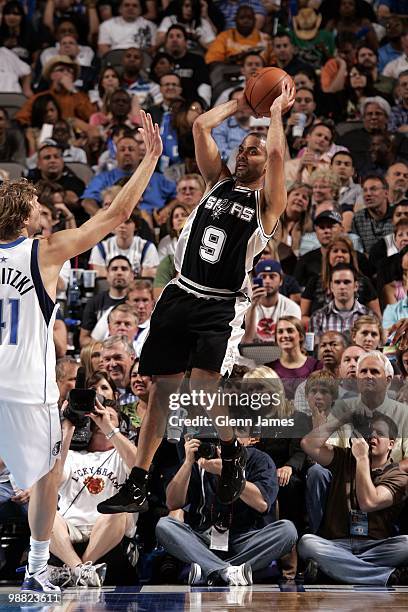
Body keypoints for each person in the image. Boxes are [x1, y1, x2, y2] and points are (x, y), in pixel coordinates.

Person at [96, 79, 295, 515]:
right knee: (160, 389)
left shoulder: (267, 206)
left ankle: (231, 454)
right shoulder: (215, 182)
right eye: (242, 148)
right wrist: (241, 103)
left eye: (253, 151)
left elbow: (279, 154)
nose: (244, 153)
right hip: (181, 291)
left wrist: (274, 114)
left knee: (205, 387)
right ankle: (138, 481)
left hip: (220, 302)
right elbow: (202, 126)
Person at [0, 110, 163, 592]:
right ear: (25, 214)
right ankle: (34, 567)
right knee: (48, 473)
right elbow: (114, 216)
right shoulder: (42, 250)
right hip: (26, 388)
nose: (42, 213)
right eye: (36, 206)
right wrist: (150, 159)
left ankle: (37, 566)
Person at [156, 436, 297, 586]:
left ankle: (208, 569)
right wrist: (187, 463)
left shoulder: (258, 459)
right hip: (205, 538)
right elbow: (172, 502)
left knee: (287, 531)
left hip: (246, 540)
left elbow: (261, 503)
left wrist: (227, 472)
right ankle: (227, 572)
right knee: (164, 526)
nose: (225, 443)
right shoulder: (202, 459)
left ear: (250, 439)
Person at [49, 372, 137, 587]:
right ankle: (81, 570)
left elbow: (140, 466)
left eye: (110, 417)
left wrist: (108, 427)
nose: (101, 419)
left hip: (108, 529)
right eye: (96, 417)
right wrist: (68, 426)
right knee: (45, 514)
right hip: (71, 529)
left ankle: (77, 568)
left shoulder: (121, 453)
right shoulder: (72, 454)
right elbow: (51, 481)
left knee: (118, 511)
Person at [299, 411, 408, 586]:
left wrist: (362, 458)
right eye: (369, 432)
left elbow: (369, 502)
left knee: (407, 544)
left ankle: (333, 571)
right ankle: (386, 576)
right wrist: (343, 418)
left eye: (379, 434)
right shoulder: (345, 458)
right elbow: (308, 444)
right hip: (337, 544)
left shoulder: (397, 475)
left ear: (391, 444)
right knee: (307, 543)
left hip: (375, 546)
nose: (372, 436)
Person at [301, 235, 380, 326]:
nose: (339, 255)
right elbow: (303, 317)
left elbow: (377, 318)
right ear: (328, 256)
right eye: (335, 251)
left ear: (350, 256)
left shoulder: (364, 282)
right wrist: (327, 322)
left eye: (344, 251)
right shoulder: (314, 282)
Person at [80, 255, 134, 347]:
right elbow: (83, 340)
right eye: (114, 269)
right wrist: (108, 346)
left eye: (124, 269)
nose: (119, 272)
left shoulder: (137, 303)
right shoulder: (94, 302)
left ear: (132, 276)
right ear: (107, 275)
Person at [242, 260, 301, 343]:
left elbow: (291, 342)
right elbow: (247, 341)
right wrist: (252, 306)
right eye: (263, 277)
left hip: (280, 353)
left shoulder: (291, 307)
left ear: (281, 281)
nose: (267, 281)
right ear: (256, 280)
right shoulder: (245, 306)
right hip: (251, 352)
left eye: (272, 276)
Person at [88, 211, 159, 278]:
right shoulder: (100, 248)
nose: (122, 225)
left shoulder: (147, 247)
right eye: (118, 222)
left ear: (136, 226)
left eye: (127, 222)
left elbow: (146, 281)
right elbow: (102, 281)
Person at [266, 316, 321, 400]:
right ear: (276, 338)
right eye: (280, 332)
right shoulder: (268, 369)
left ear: (301, 336)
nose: (285, 335)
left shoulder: (317, 366)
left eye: (290, 331)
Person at [309, 264, 371, 337]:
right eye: (337, 282)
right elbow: (312, 348)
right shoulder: (317, 317)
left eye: (347, 282)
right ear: (331, 286)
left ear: (356, 286)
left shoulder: (369, 316)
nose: (342, 287)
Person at [351, 175, 394, 253]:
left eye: (373, 189)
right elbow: (357, 252)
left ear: (386, 193)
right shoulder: (358, 218)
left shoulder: (397, 215)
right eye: (365, 190)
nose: (368, 194)